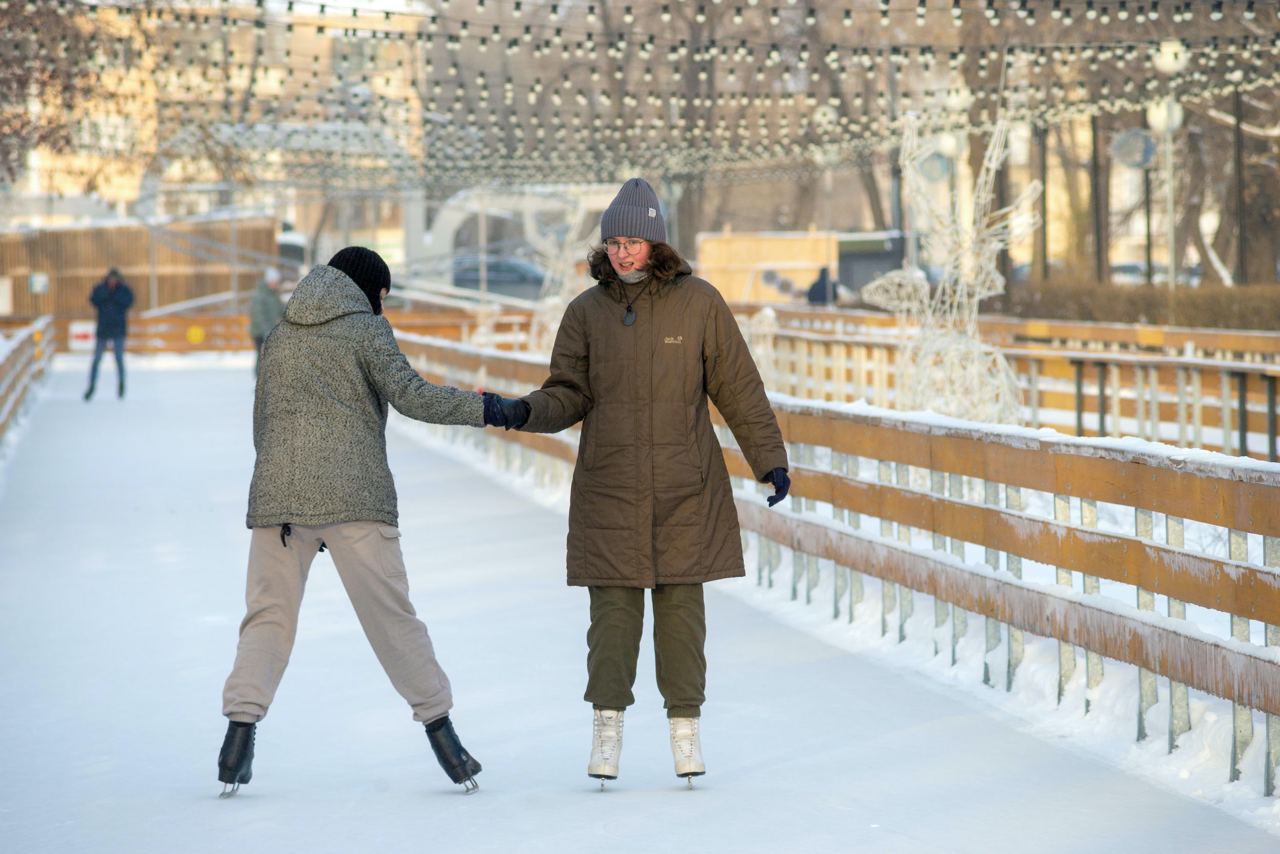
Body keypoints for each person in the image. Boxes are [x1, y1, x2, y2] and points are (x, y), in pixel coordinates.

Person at [483, 178, 790, 786]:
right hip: (611, 488)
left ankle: (685, 732)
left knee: (682, 617)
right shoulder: (586, 313)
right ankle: (607, 731)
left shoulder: (699, 303)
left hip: (686, 487)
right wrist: (523, 411)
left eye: (635, 242)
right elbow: (567, 394)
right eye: (615, 242)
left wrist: (768, 458)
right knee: (613, 621)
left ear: (656, 244)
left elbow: (738, 387)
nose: (623, 253)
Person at [218, 247, 511, 797]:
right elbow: (413, 397)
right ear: (366, 288)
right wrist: (490, 408)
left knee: (267, 620)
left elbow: (262, 423)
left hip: (278, 503)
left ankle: (237, 738)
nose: (384, 304)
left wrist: (288, 486)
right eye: (383, 294)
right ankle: (445, 738)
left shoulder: (281, 334)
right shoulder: (366, 331)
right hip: (356, 500)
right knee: (392, 620)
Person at [83, 267, 134, 401]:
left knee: (119, 359)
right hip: (103, 330)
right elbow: (93, 299)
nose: (112, 282)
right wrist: (107, 294)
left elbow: (129, 301)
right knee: (97, 360)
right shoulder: (101, 289)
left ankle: (121, 386)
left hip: (118, 330)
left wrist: (114, 296)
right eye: (110, 279)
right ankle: (91, 386)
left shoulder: (123, 290)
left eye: (114, 280)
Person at [248, 267, 285, 376]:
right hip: (259, 331)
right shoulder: (260, 296)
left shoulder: (274, 295)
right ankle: (260, 379)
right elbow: (258, 315)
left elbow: (281, 310)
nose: (276, 284)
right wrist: (265, 330)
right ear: (269, 281)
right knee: (262, 354)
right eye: (275, 281)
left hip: (270, 330)